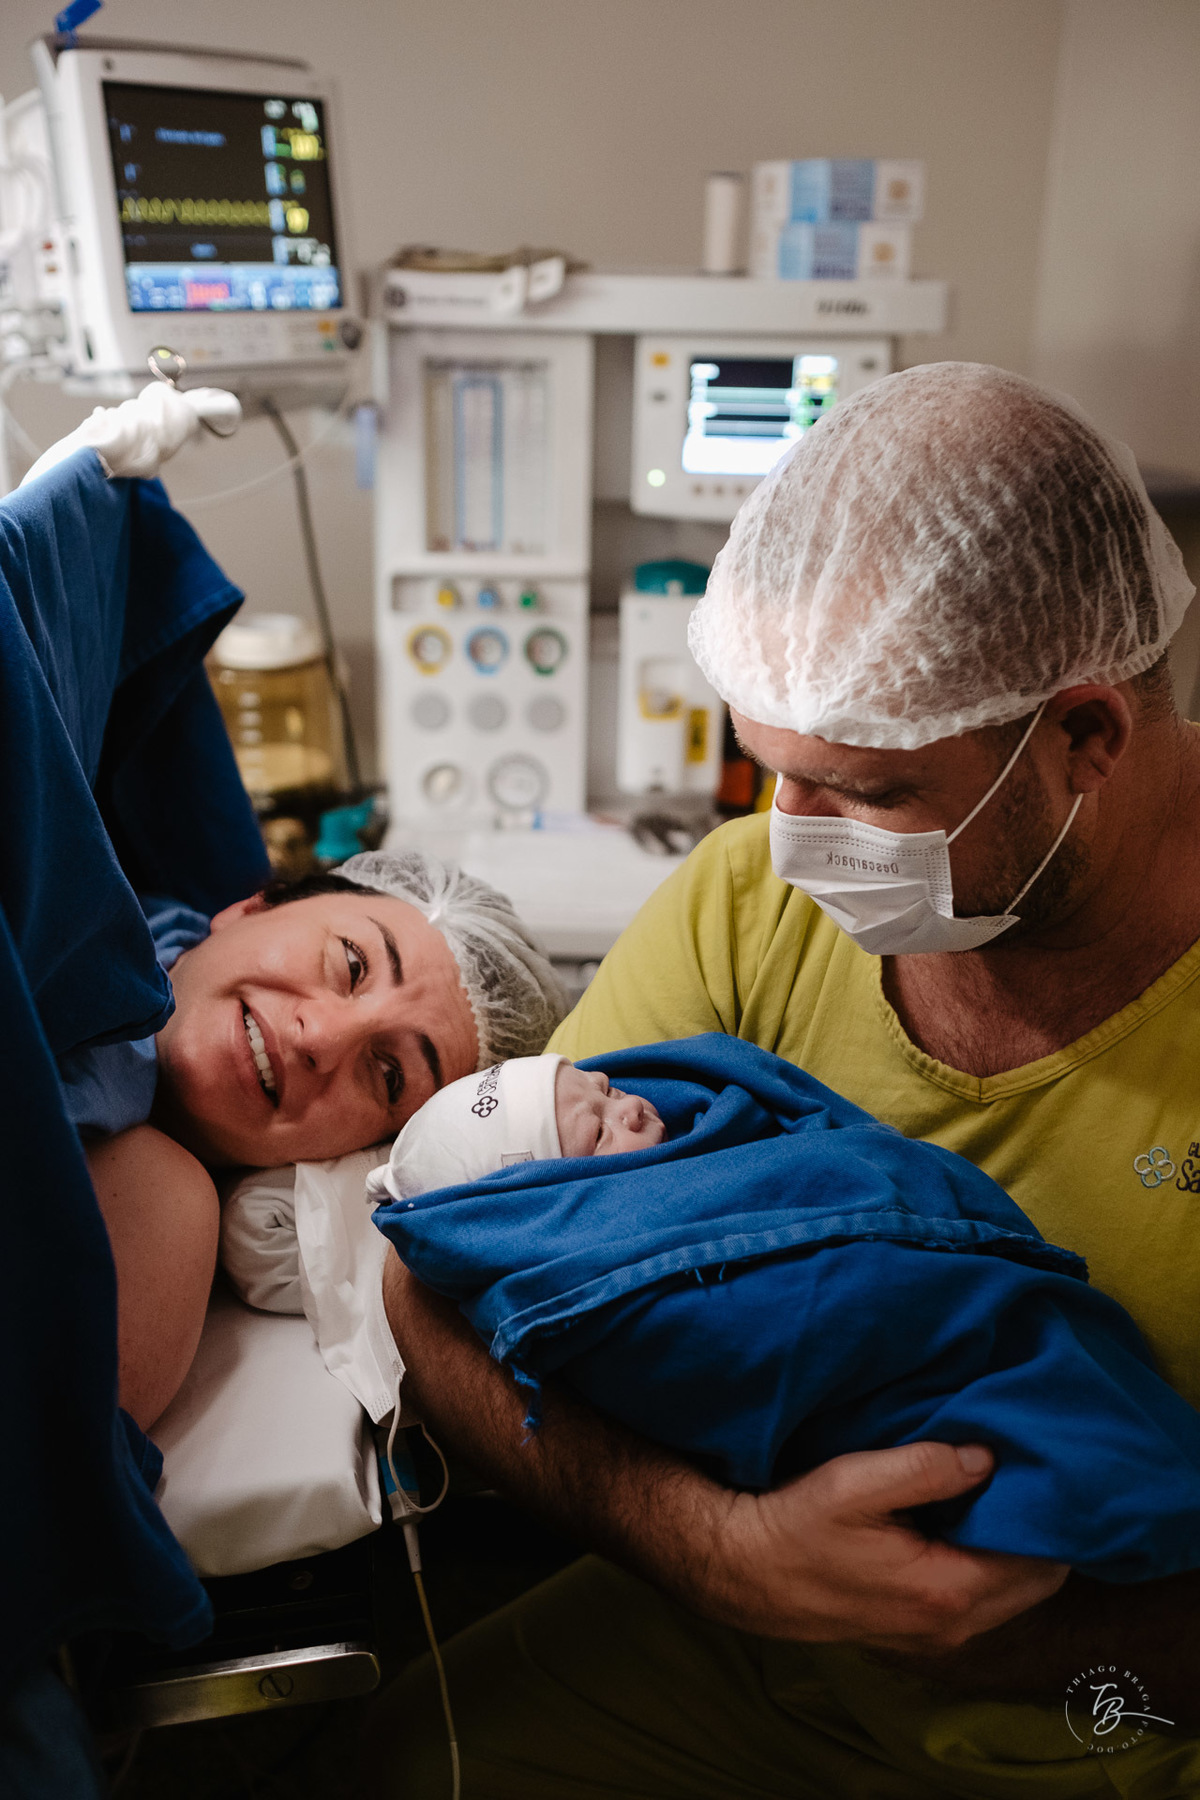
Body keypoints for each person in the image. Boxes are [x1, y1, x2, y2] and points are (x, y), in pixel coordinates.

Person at [364, 364, 1200, 1796]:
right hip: (730, 1650)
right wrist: (720, 1552)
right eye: (770, 771)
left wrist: (1019, 1639)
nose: (790, 839)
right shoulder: (743, 905)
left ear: (1087, 737)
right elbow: (433, 1282)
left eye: (868, 794)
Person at [76, 853, 568, 1430]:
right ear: (250, 909)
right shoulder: (65, 887)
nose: (324, 1038)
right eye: (352, 964)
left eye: (390, 1075)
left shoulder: (160, 1209)